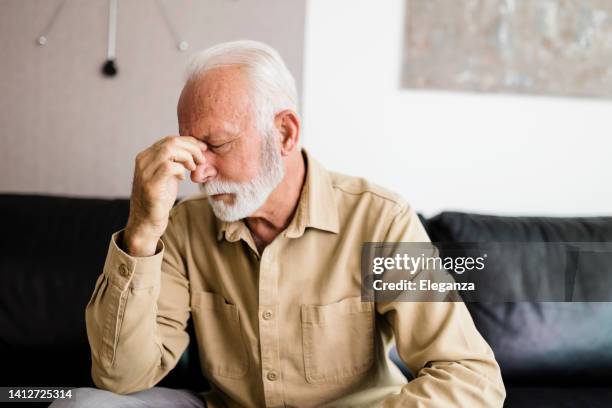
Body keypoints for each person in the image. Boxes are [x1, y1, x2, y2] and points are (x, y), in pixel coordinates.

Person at [51, 40, 505, 407]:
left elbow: (470, 376)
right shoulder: (184, 225)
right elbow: (122, 376)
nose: (198, 172)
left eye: (217, 145)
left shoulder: (381, 218)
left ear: (285, 133)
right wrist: (143, 231)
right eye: (191, 148)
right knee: (85, 405)